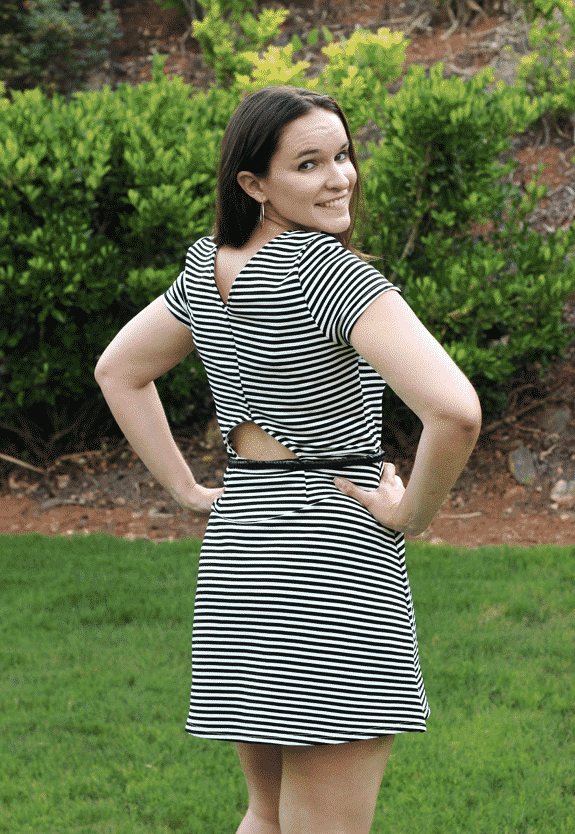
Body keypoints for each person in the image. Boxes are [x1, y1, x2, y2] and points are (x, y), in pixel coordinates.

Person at [95, 85, 482, 834]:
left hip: (243, 545)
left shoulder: (211, 268)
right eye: (308, 163)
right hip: (331, 554)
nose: (338, 177)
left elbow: (120, 369)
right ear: (253, 183)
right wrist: (410, 514)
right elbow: (456, 412)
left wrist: (187, 489)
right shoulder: (331, 275)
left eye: (341, 154)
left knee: (267, 817)